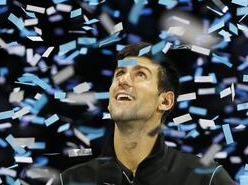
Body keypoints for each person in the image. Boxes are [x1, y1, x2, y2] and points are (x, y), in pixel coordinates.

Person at [59, 42, 235, 185]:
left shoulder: (204, 177)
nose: (122, 80)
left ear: (165, 101)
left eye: (140, 74)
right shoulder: (71, 180)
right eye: (120, 73)